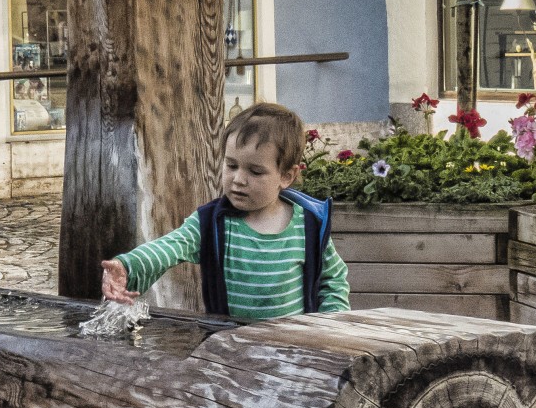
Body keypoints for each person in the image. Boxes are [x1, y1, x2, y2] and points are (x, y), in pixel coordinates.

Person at [101, 102, 350, 320]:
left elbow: (333, 280)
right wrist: (127, 265)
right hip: (230, 351)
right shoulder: (212, 223)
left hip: (292, 352)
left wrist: (329, 324)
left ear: (286, 176)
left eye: (255, 172)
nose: (238, 179)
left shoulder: (308, 226)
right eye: (231, 165)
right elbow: (169, 247)